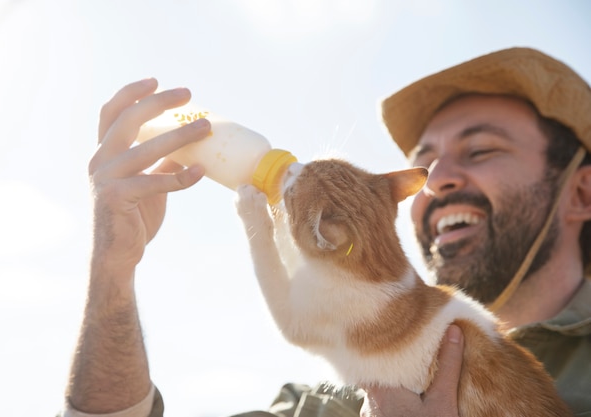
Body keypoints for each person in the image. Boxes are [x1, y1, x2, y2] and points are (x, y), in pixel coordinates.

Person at [60, 47, 591, 417]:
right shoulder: (342, 397)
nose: (436, 180)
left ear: (581, 194)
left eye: (481, 151)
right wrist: (113, 272)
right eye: (422, 164)